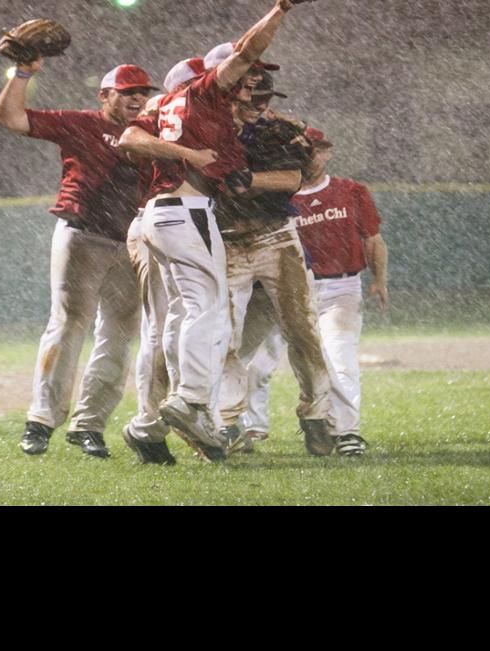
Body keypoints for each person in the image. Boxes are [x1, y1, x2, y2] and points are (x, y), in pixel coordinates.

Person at [115, 0, 317, 463]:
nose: (250, 85)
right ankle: (190, 402)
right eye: (244, 78)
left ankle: (147, 424)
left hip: (154, 216)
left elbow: (128, 138)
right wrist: (281, 9)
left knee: (177, 319)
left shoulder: (162, 103)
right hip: (187, 212)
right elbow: (247, 49)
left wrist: (178, 151)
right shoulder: (207, 94)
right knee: (209, 312)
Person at [0, 58, 164, 459]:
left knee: (119, 337)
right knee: (68, 325)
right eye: (128, 92)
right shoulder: (83, 123)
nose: (138, 98)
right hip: (83, 233)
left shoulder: (152, 132)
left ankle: (89, 426)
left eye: (143, 92)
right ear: (104, 96)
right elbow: (10, 118)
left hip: (132, 240)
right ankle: (40, 420)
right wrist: (23, 73)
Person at [211, 70, 340, 458]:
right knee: (225, 336)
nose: (262, 103)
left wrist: (249, 180)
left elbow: (296, 177)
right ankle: (228, 421)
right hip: (225, 239)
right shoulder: (207, 126)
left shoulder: (283, 129)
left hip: (274, 234)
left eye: (266, 95)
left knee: (302, 327)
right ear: (231, 95)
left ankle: (316, 416)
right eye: (252, 96)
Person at [246, 125, 385, 457]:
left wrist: (380, 279)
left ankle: (346, 430)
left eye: (318, 149)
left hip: (339, 286)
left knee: (339, 358)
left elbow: (374, 240)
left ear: (328, 153)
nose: (313, 155)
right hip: (284, 288)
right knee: (256, 363)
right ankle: (251, 427)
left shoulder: (350, 191)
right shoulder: (278, 193)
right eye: (306, 149)